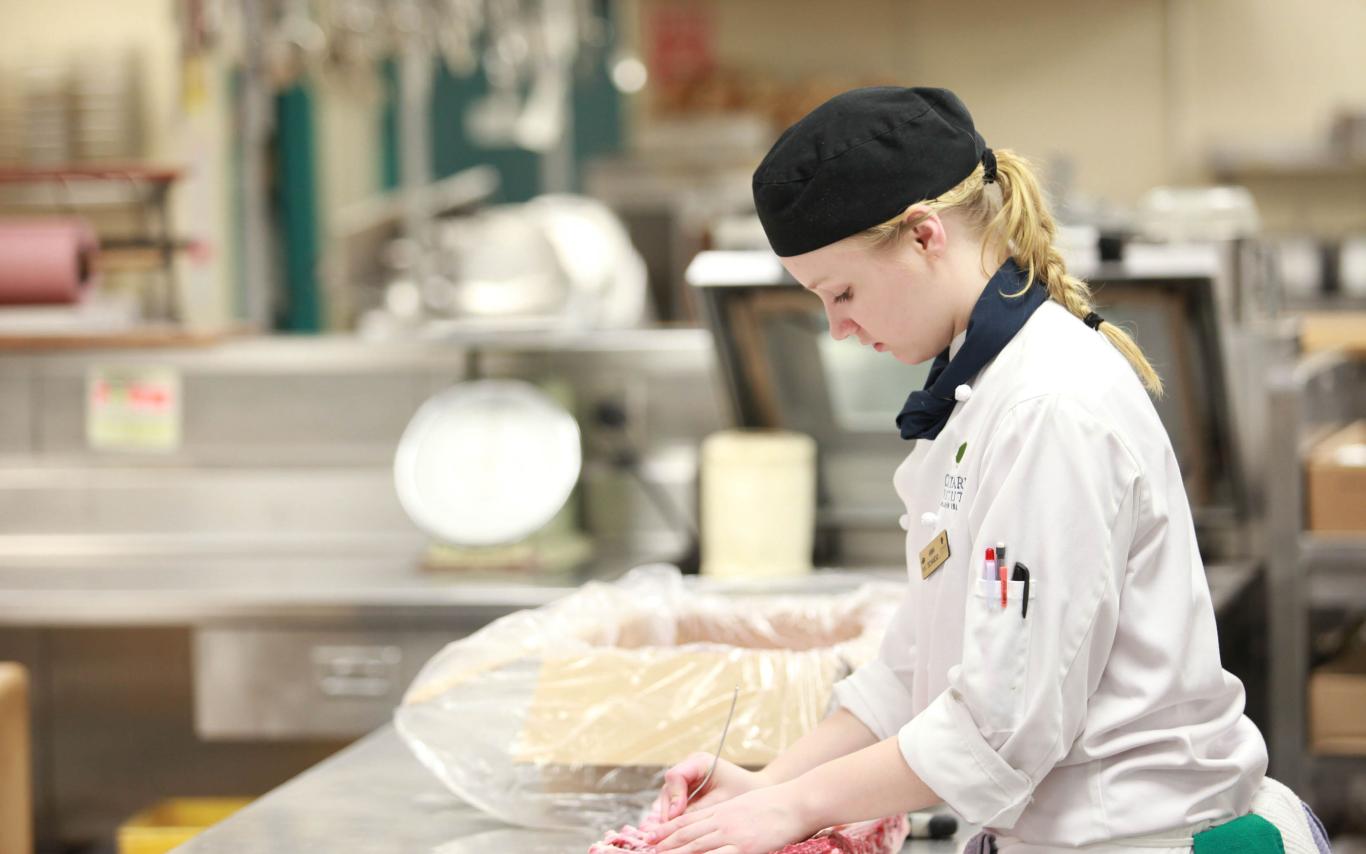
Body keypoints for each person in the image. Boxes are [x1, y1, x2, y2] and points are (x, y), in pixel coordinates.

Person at [645, 87, 1322, 854]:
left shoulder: (1050, 406)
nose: (837, 328)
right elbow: (916, 666)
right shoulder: (976, 394)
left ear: (924, 236)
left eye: (842, 292)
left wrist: (796, 809)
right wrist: (770, 785)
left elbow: (997, 728)